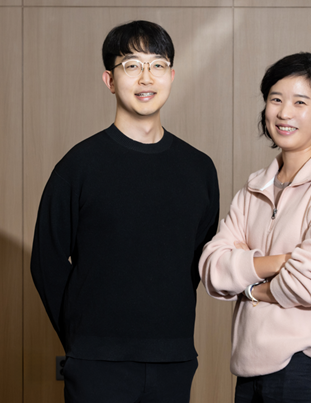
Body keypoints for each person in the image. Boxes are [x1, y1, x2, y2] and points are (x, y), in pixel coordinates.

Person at [31, 20, 220, 403]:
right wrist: (81, 336)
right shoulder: (79, 165)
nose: (146, 77)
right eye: (132, 65)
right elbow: (46, 260)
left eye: (158, 64)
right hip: (96, 361)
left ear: (171, 75)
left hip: (174, 358)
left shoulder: (199, 168)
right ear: (109, 80)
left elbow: (199, 258)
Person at [199, 52, 311, 403]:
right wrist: (279, 262)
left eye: (300, 102)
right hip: (250, 370)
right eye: (275, 99)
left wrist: (249, 290)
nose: (284, 112)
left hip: (309, 368)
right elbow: (212, 269)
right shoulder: (254, 188)